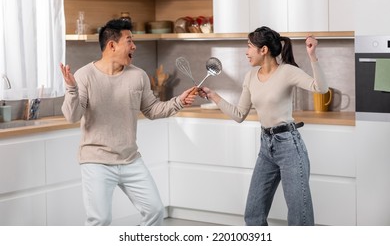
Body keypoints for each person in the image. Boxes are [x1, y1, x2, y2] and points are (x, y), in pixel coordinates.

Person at [60, 18, 196, 226]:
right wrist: (72, 89)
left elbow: (152, 109)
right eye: (129, 41)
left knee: (155, 211)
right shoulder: (84, 76)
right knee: (100, 220)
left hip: (130, 158)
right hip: (96, 160)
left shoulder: (138, 76)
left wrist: (179, 101)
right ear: (112, 45)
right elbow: (72, 116)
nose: (134, 46)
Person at [198, 26, 329, 226]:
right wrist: (213, 95)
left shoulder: (287, 71)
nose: (246, 51)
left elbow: (321, 88)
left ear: (264, 50)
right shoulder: (250, 76)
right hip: (266, 148)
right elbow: (239, 114)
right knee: (253, 214)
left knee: (299, 217)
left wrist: (312, 55)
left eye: (249, 46)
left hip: (289, 147)